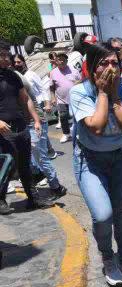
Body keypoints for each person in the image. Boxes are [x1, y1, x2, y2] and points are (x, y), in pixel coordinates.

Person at [70, 43, 122, 287]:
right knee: (103, 215)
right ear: (91, 69)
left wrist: (114, 96)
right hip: (89, 160)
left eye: (115, 63)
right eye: (103, 63)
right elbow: (97, 127)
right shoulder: (79, 92)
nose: (110, 68)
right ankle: (108, 258)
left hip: (118, 157)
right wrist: (102, 92)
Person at [0, 39, 54, 214]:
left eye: (7, 55)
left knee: (25, 166)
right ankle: (1, 200)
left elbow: (25, 99)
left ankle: (33, 199)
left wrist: (36, 120)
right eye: (2, 55)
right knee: (7, 165)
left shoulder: (13, 75)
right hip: (3, 130)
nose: (6, 59)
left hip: (21, 127)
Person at [12, 55, 67, 199]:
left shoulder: (17, 78)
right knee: (29, 157)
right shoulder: (9, 77)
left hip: (34, 120)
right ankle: (38, 176)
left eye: (19, 62)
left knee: (41, 157)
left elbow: (35, 94)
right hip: (24, 122)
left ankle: (56, 187)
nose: (17, 64)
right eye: (15, 62)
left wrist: (38, 117)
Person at [50, 53, 80, 143]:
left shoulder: (74, 70)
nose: (61, 61)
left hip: (75, 99)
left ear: (67, 60)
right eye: (59, 59)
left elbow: (81, 82)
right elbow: (52, 87)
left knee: (77, 117)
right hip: (61, 100)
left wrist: (77, 83)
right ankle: (66, 134)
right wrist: (52, 98)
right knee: (63, 116)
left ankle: (79, 132)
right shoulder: (53, 72)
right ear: (56, 61)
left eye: (63, 59)